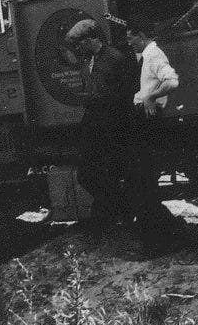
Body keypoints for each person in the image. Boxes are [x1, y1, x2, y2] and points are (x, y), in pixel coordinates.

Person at [64, 18, 137, 235]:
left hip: (113, 128)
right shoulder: (94, 59)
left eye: (79, 43)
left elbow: (125, 95)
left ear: (90, 39)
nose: (77, 48)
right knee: (87, 174)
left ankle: (114, 215)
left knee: (100, 174)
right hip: (98, 126)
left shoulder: (115, 59)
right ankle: (114, 211)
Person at [125, 18, 191, 256]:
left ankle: (155, 244)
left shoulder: (153, 55)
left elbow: (172, 80)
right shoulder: (147, 56)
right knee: (143, 183)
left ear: (141, 35)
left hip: (149, 121)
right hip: (144, 119)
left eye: (131, 38)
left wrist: (151, 98)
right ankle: (167, 235)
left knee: (144, 183)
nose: (129, 43)